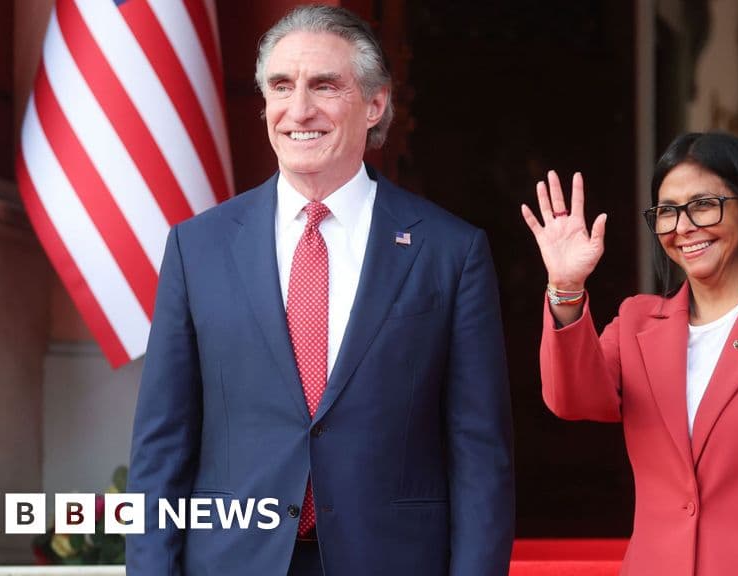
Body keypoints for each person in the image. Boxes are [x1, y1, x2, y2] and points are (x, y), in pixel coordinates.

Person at [128, 6, 514, 576]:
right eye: (281, 86)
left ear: (375, 104)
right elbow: (161, 446)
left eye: (325, 86)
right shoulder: (198, 247)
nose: (299, 109)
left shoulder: (450, 252)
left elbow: (480, 455)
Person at [521, 132, 738, 576]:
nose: (683, 227)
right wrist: (566, 288)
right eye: (667, 211)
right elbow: (571, 399)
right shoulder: (638, 321)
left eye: (703, 205)